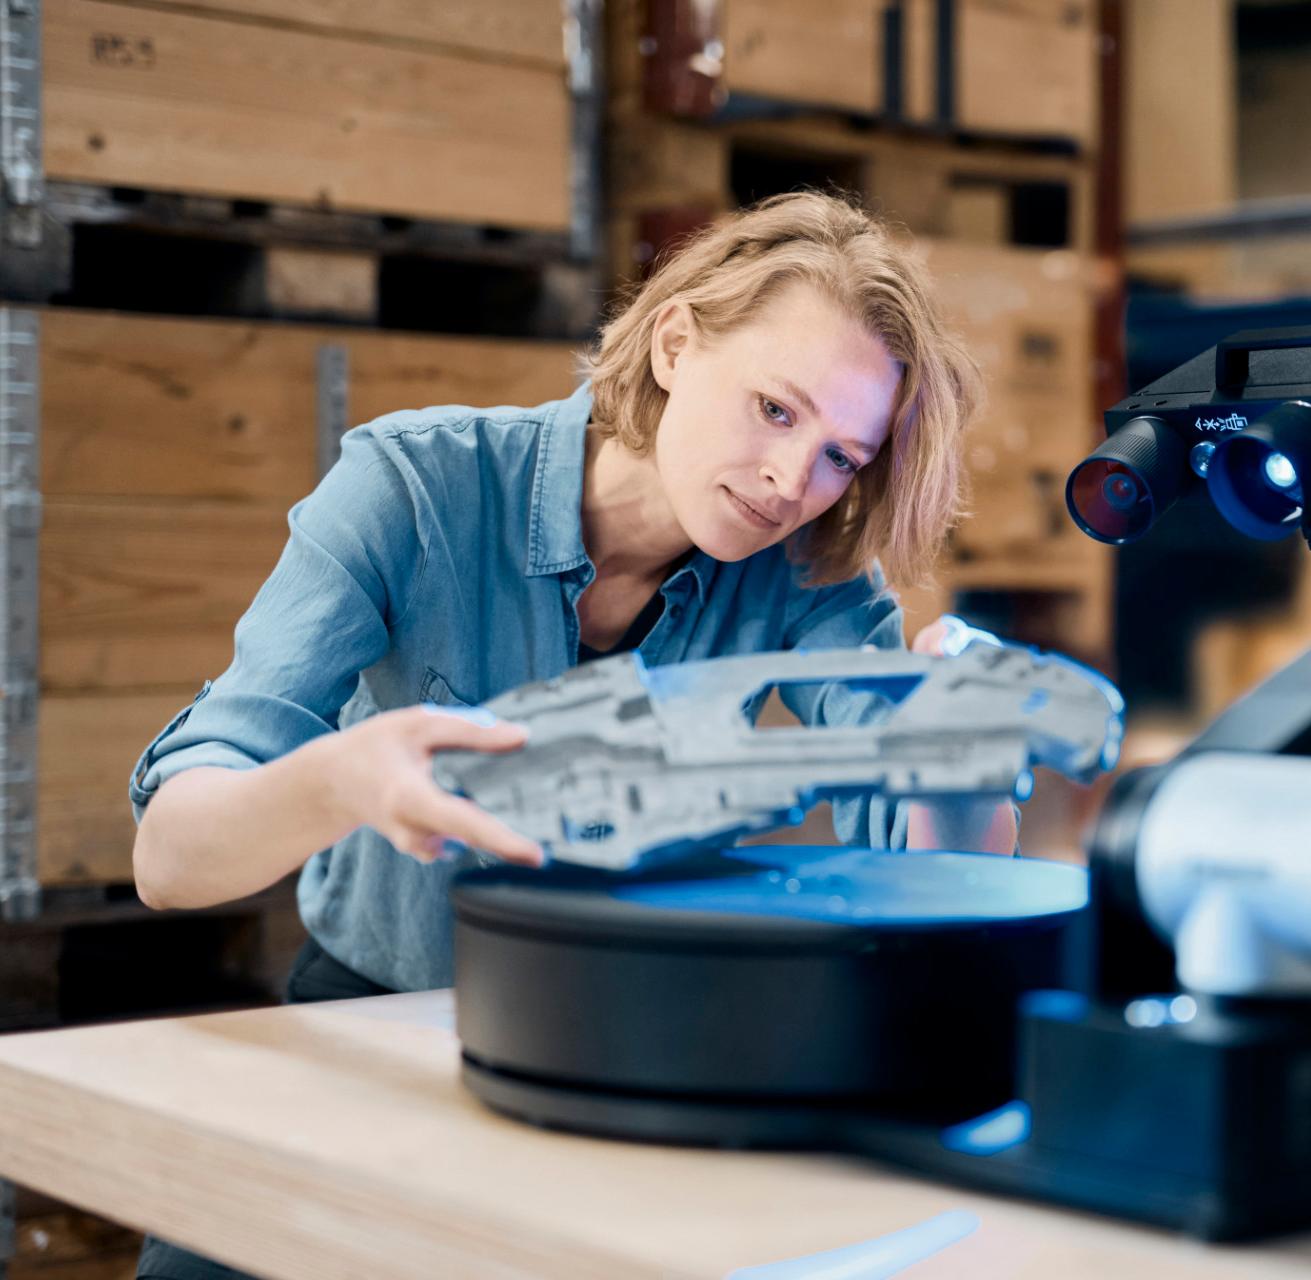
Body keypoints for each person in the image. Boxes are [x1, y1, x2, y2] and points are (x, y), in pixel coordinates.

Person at [126, 192, 1016, 1277]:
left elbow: (945, 870)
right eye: (776, 411)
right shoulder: (414, 487)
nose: (793, 483)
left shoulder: (808, 570)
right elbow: (170, 859)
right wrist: (338, 781)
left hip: (644, 1055)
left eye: (842, 454)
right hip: (375, 1025)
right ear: (679, 342)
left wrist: (961, 747)